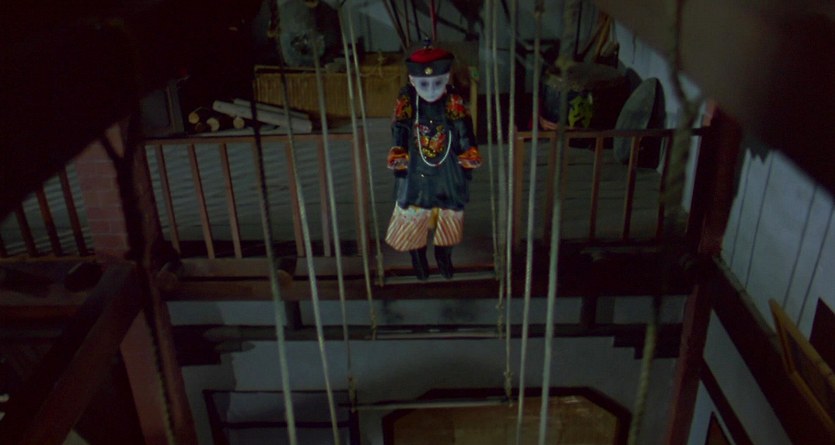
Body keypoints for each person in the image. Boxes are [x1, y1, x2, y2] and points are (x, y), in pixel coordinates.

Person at [384, 42, 481, 280]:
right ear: (412, 80)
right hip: (415, 166)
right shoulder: (408, 99)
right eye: (424, 84)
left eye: (437, 83)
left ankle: (443, 256)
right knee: (412, 214)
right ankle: (418, 258)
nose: (430, 90)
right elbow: (401, 127)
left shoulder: (453, 99)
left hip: (447, 166)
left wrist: (469, 149)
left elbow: (463, 127)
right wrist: (398, 149)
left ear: (447, 78)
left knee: (450, 214)